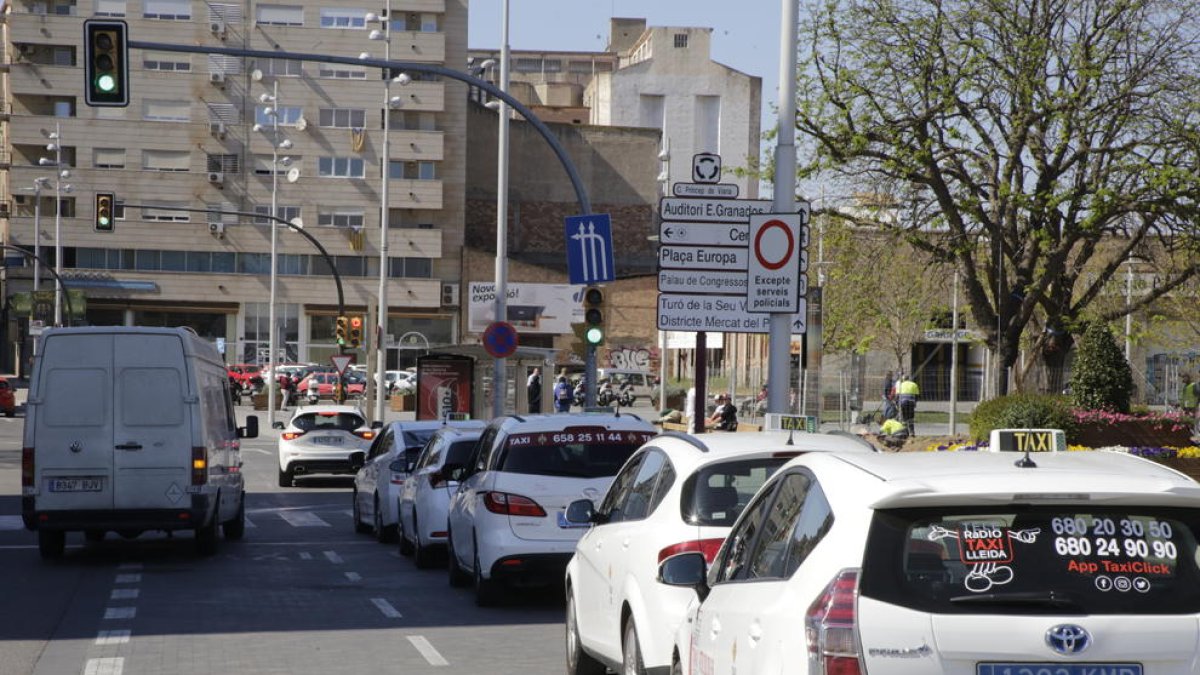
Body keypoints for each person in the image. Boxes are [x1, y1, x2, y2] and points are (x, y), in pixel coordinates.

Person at [896, 371, 920, 436]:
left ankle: (905, 432)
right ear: (909, 378)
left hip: (903, 403)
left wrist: (897, 404)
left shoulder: (901, 385)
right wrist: (915, 403)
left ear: (903, 379)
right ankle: (912, 432)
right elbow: (917, 396)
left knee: (904, 418)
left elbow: (897, 396)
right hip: (911, 403)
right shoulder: (914, 384)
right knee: (911, 417)